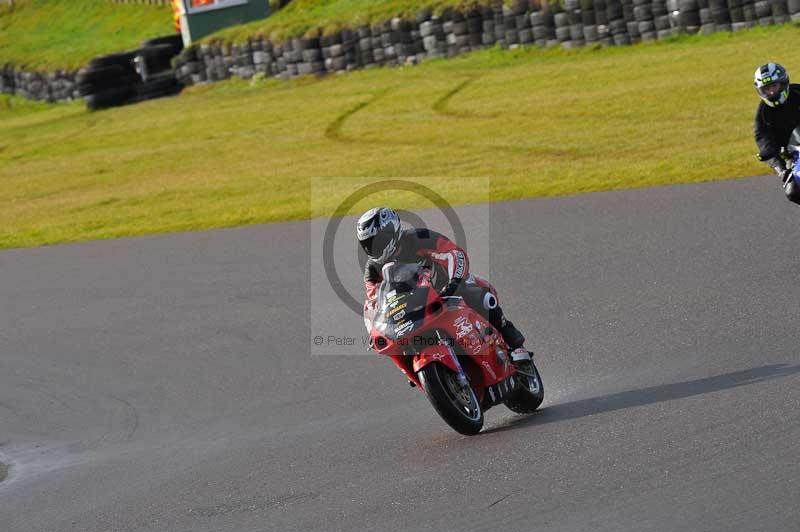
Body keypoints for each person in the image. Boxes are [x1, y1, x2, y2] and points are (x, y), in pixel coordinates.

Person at [356, 207, 528, 354]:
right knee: (396, 343)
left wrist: (455, 282)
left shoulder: (418, 239)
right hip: (411, 308)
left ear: (392, 231)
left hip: (446, 289)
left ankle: (510, 338)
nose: (374, 247)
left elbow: (454, 254)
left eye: (378, 240)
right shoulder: (372, 269)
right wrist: (374, 330)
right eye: (368, 244)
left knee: (481, 296)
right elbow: (372, 303)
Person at [753, 62, 800, 204]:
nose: (772, 93)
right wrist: (781, 170)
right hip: (795, 155)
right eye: (766, 89)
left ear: (783, 82)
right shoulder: (763, 114)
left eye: (774, 86)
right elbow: (762, 139)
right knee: (792, 191)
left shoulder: (798, 92)